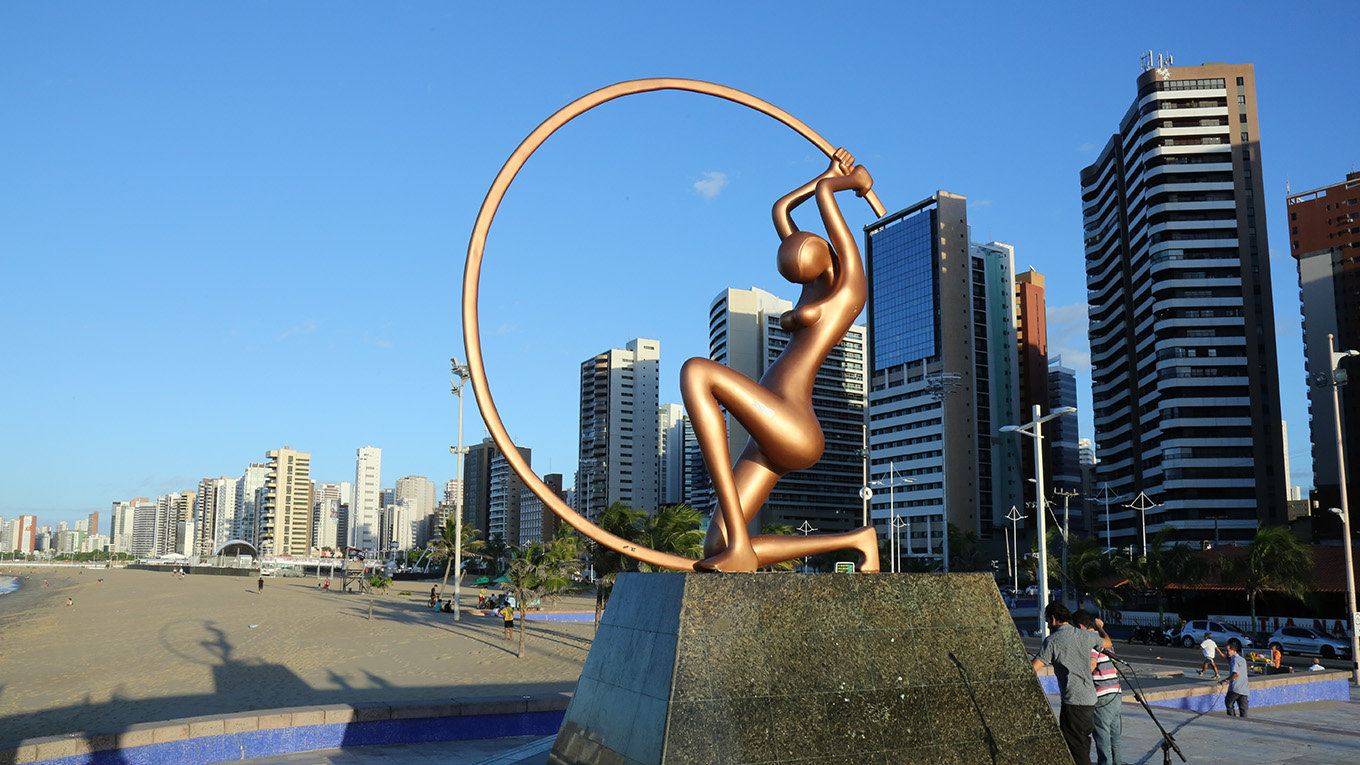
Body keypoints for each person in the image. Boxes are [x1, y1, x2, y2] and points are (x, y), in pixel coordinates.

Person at [681, 148, 880, 572]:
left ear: (825, 253)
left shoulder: (849, 293)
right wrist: (828, 172)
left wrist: (848, 182)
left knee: (697, 372)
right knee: (715, 545)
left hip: (792, 422)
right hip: (768, 432)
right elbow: (781, 208)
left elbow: (827, 197)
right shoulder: (811, 289)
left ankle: (738, 540)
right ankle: (858, 540)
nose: (799, 284)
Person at [1032, 603, 1113, 765]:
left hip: (1073, 701)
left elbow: (1033, 668)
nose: (1047, 624)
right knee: (1082, 743)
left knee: (1076, 750)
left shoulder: (1052, 641)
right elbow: (1107, 643)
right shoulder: (1085, 635)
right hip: (1089, 699)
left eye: (1047, 620)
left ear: (1054, 619)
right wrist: (1101, 628)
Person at [1074, 610, 1121, 765]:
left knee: (1102, 738)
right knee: (1115, 737)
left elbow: (1092, 664)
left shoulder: (1090, 642)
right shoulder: (1104, 640)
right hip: (1115, 692)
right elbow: (1114, 668)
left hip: (1102, 695)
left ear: (1080, 626)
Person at [1219, 638, 1249, 717]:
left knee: (1228, 703)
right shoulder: (1242, 659)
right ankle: (1244, 722)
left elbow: (1236, 674)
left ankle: (1232, 718)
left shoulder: (1234, 660)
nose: (1226, 653)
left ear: (1234, 651)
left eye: (1227, 651)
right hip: (1244, 689)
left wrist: (1226, 680)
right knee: (1243, 708)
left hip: (1235, 688)